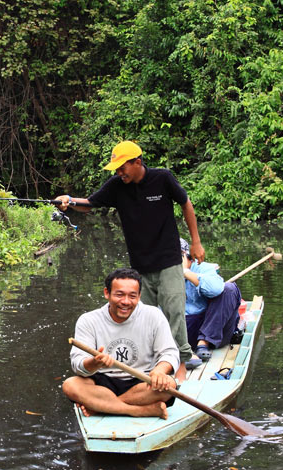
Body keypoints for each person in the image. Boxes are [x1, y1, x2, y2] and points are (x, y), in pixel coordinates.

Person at [55, 140, 204, 381]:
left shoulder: (162, 178)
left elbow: (186, 203)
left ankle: (181, 362)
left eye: (123, 167)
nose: (119, 172)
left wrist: (196, 242)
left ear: (137, 162)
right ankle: (144, 365)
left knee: (174, 312)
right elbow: (91, 204)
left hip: (168, 259)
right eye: (116, 168)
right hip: (140, 264)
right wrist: (69, 201)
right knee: (136, 315)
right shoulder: (117, 186)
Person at [62, 268, 180, 419]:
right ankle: (138, 410)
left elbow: (170, 353)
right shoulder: (88, 320)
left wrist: (159, 371)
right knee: (70, 385)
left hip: (141, 381)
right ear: (107, 293)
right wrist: (94, 363)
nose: (125, 302)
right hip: (102, 383)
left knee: (168, 385)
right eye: (119, 295)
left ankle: (103, 407)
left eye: (132, 296)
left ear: (139, 296)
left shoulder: (153, 315)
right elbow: (78, 364)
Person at [180, 239, 242, 369]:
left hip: (214, 331)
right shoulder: (162, 275)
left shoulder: (203, 267)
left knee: (229, 289)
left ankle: (204, 343)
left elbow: (215, 289)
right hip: (183, 332)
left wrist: (185, 272)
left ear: (188, 257)